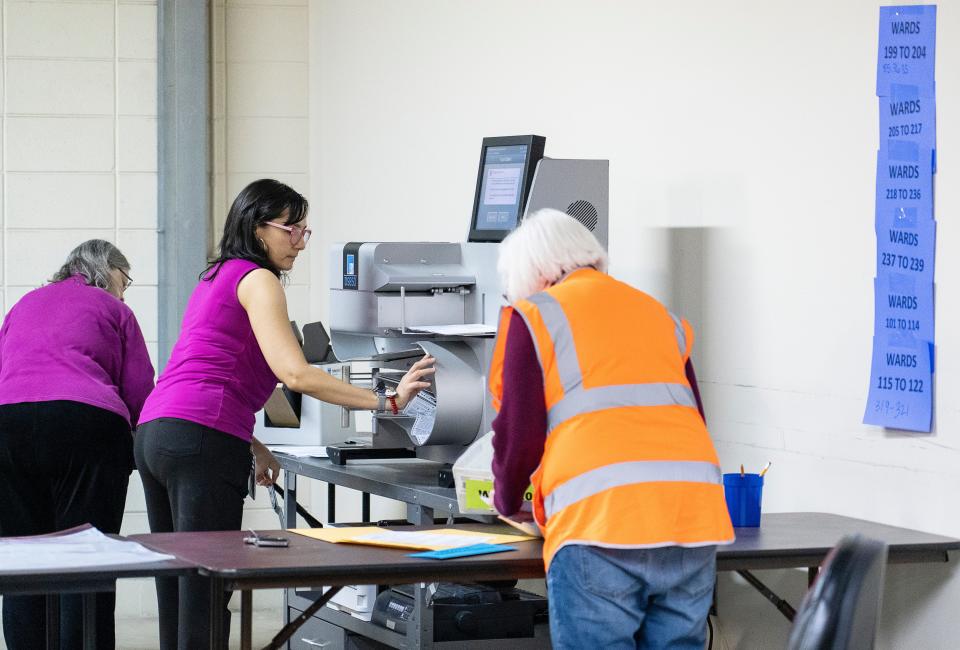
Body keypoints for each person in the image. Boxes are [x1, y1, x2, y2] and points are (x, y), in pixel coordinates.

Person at [135, 178, 435, 649]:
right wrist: (388, 401)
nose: (299, 241)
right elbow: (295, 374)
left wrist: (252, 442)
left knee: (179, 583)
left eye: (303, 231)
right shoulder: (260, 280)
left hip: (158, 433)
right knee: (206, 589)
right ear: (258, 229)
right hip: (198, 437)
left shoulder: (216, 276)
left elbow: (209, 370)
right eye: (290, 229)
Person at [488, 209, 734, 649]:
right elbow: (692, 415)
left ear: (536, 272)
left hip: (601, 526)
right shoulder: (657, 313)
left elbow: (518, 435)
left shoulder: (535, 315)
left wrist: (506, 501)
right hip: (692, 519)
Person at [0, 240, 154, 650]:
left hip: (7, 427)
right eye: (125, 282)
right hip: (85, 427)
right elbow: (139, 389)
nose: (125, 292)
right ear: (109, 275)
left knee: (20, 560)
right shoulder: (114, 309)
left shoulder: (24, 305)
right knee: (87, 558)